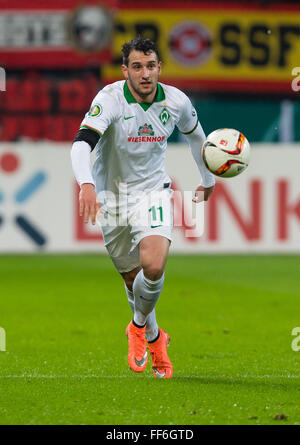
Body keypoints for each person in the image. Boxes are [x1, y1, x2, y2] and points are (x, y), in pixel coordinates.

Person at [71, 37, 215, 379]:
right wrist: (87, 185)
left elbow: (198, 138)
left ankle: (136, 327)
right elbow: (81, 145)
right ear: (126, 70)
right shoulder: (109, 99)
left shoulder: (176, 101)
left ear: (159, 67)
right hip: (113, 197)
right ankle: (154, 336)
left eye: (151, 66)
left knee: (153, 263)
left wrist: (207, 178)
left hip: (154, 193)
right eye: (137, 67)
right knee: (133, 278)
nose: (145, 73)